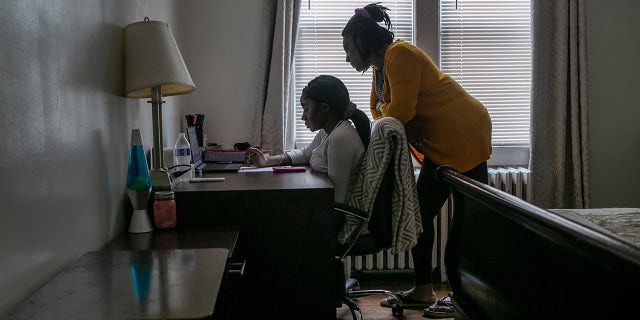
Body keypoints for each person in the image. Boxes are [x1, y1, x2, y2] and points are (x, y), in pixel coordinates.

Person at [341, 3, 492, 316]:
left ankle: (466, 296)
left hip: (464, 133)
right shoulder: (381, 70)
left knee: (472, 222)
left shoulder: (400, 55)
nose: (347, 58)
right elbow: (383, 113)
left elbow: (396, 112)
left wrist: (404, 116)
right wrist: (403, 117)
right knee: (419, 219)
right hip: (442, 146)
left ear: (361, 41)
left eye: (348, 49)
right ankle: (424, 290)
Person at [246, 74, 371, 204]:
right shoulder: (328, 132)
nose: (303, 117)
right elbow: (305, 153)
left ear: (324, 108)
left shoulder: (340, 138)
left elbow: (337, 199)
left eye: (306, 109)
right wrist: (267, 161)